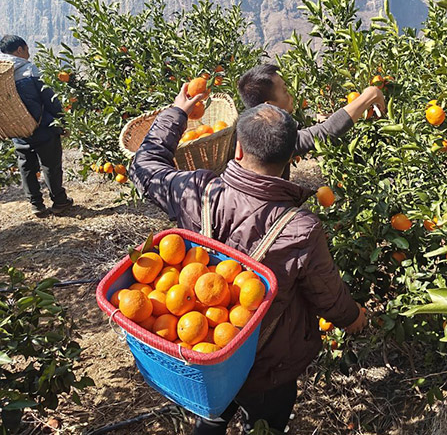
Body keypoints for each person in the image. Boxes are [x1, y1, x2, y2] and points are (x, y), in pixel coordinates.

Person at [129, 85, 367, 434]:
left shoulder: (197, 190)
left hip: (204, 345)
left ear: (237, 149)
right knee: (267, 420)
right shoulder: (301, 228)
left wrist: (177, 112)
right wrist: (353, 317)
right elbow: (325, 294)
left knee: (213, 410)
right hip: (267, 364)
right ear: (290, 157)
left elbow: (144, 165)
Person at [237, 64, 385, 179]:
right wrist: (370, 95)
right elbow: (327, 131)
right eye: (284, 91)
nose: (290, 94)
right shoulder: (273, 140)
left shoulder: (245, 133)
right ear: (269, 106)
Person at [0, 35, 73, 217]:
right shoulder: (29, 70)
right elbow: (49, 99)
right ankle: (59, 202)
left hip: (18, 130)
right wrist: (62, 121)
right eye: (26, 49)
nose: (28, 53)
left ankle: (36, 205)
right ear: (19, 50)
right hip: (43, 127)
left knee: (26, 166)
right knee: (50, 165)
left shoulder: (2, 75)